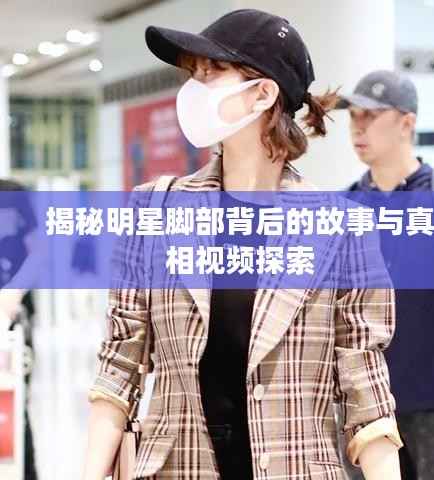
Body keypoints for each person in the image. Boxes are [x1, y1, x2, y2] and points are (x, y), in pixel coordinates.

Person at [83, 10, 403, 480]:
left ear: (263, 93)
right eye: (193, 74)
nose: (193, 88)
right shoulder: (153, 209)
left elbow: (366, 391)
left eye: (211, 72)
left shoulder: (342, 229)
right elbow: (118, 367)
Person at [337, 70, 434, 479]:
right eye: (353, 116)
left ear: (406, 123)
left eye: (371, 115)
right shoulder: (348, 207)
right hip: (367, 406)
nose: (358, 127)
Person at [0, 178, 38, 480]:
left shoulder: (12, 192)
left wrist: (14, 291)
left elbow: (39, 251)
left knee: (13, 407)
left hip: (11, 326)